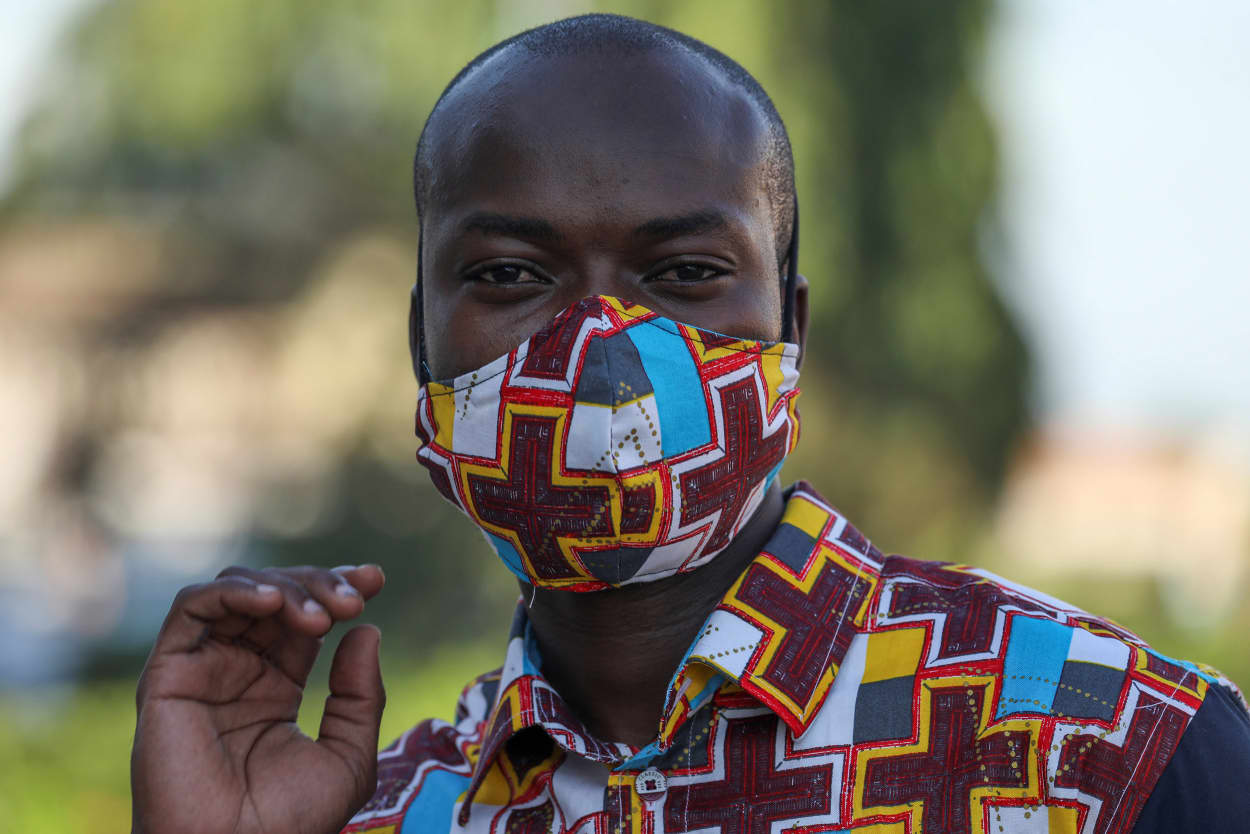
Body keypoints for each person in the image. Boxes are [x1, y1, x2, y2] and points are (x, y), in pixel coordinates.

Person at [130, 14, 1250, 834]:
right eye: (513, 273)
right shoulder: (379, 813)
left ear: (787, 326)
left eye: (685, 272)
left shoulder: (1103, 750)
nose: (603, 349)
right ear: (422, 340)